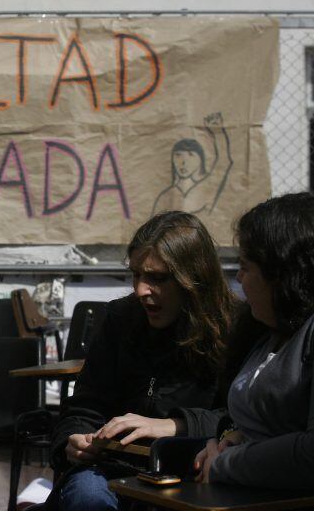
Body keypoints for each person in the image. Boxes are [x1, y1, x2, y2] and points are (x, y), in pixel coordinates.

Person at [44, 211, 236, 511]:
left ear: (194, 279)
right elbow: (86, 403)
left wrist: (175, 425)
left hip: (192, 470)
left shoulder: (234, 327)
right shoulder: (119, 318)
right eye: (136, 275)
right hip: (113, 467)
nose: (141, 290)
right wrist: (72, 441)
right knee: (87, 498)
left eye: (157, 278)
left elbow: (240, 419)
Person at [184, 193, 314, 489]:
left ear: (281, 273)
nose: (239, 278)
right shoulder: (268, 334)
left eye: (245, 266)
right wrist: (231, 437)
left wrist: (225, 463)